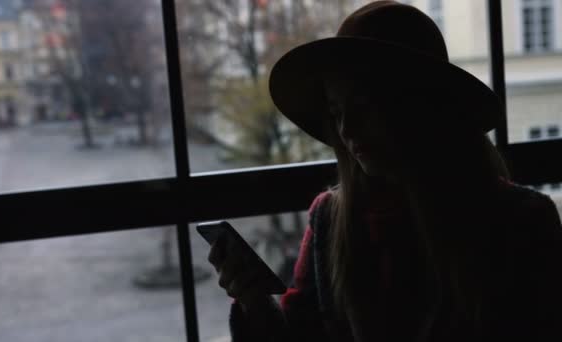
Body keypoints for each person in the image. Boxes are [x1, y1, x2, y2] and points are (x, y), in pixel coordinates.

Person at [207, 1, 562, 341]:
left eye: (364, 105)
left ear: (419, 106)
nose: (346, 128)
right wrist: (253, 299)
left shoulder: (522, 223)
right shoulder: (329, 221)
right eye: (337, 111)